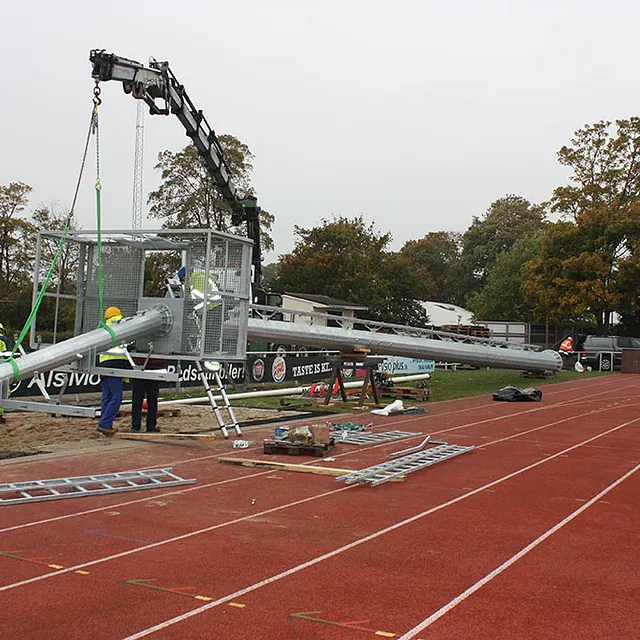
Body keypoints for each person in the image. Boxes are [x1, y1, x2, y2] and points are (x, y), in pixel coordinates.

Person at [97, 307, 131, 436]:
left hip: (103, 363)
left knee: (107, 396)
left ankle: (106, 424)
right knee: (117, 397)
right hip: (116, 363)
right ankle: (104, 424)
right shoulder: (122, 324)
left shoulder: (104, 328)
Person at [131, 355, 163, 433]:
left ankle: (149, 425)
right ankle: (136, 425)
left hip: (152, 367)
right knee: (138, 399)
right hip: (140, 367)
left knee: (151, 399)